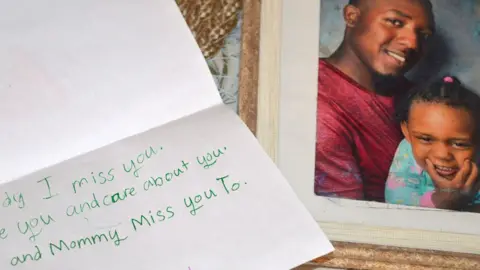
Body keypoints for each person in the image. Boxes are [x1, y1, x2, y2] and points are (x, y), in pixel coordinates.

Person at [315, 0, 435, 201]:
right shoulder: (318, 102)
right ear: (352, 16)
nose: (412, 43)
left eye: (423, 35)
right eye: (395, 22)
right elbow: (348, 222)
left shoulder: (418, 98)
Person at [385, 76, 480, 212]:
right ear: (407, 132)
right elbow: (396, 201)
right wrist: (444, 200)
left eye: (459, 144)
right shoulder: (407, 151)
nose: (442, 155)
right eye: (426, 139)